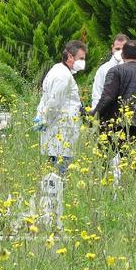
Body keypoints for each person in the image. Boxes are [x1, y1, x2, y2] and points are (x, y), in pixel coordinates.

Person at [92, 39, 136, 149]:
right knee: (130, 164)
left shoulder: (116, 71)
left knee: (103, 162)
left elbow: (107, 97)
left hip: (115, 126)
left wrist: (93, 117)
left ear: (122, 55)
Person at [34, 40, 88, 174]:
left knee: (55, 173)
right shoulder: (63, 76)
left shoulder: (60, 70)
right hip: (60, 133)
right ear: (70, 56)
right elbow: (54, 102)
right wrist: (44, 120)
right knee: (59, 176)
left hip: (60, 132)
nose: (82, 62)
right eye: (81, 58)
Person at [92, 34, 130, 108]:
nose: (121, 52)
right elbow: (97, 94)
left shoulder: (133, 68)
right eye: (117, 49)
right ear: (112, 48)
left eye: (123, 49)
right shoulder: (103, 70)